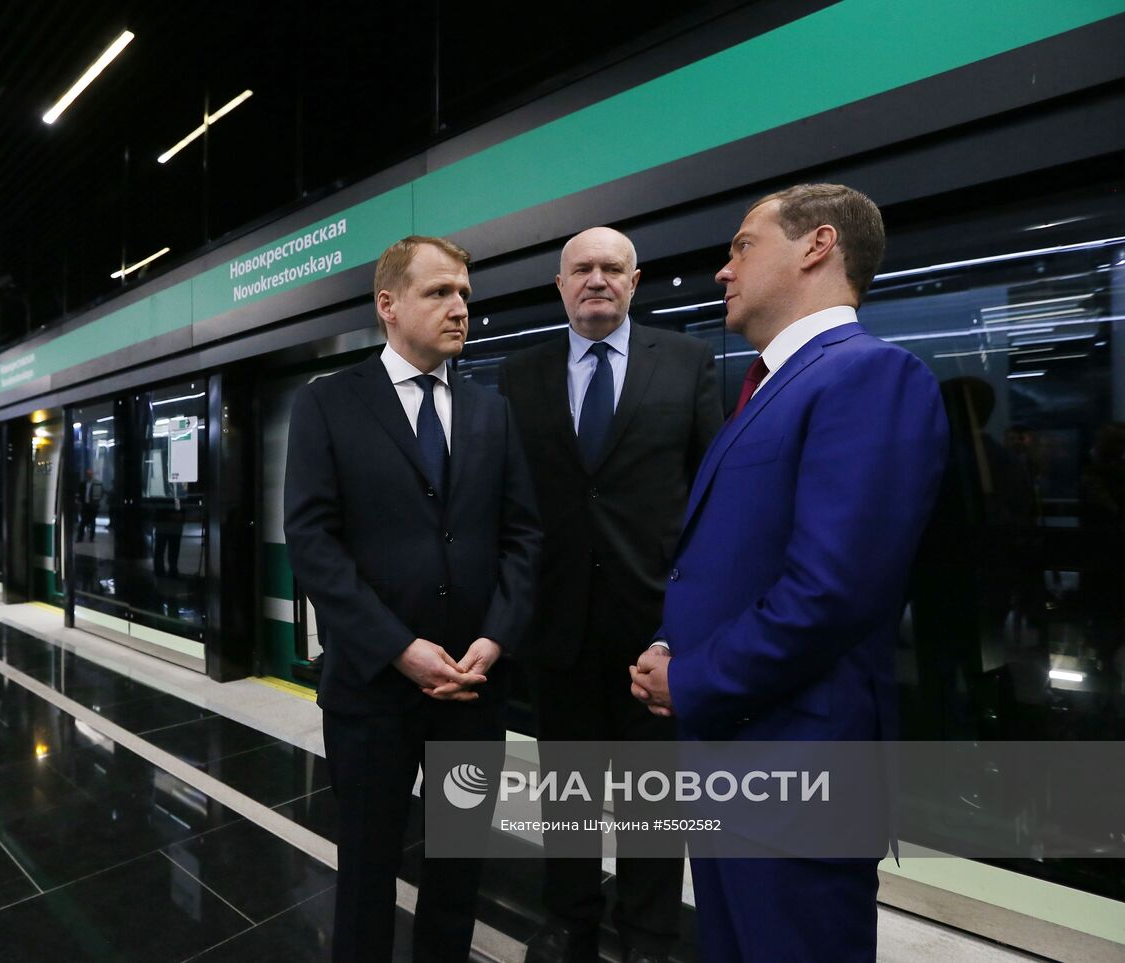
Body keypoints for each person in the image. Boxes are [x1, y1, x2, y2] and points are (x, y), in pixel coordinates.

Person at [630, 184, 948, 961]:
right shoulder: (771, 387)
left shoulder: (871, 376)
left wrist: (692, 679)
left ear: (817, 245)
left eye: (741, 245)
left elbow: (829, 593)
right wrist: (674, 645)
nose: (722, 270)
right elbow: (740, 560)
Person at [284, 235, 542, 961]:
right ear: (387, 305)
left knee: (459, 867)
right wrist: (398, 647)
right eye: (440, 293)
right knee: (367, 869)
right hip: (371, 689)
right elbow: (312, 543)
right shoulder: (329, 403)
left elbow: (524, 534)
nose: (461, 307)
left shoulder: (492, 412)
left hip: (474, 686)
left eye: (464, 292)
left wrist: (497, 636)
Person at [498, 226, 721, 962]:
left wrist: (690, 625)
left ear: (635, 280)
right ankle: (570, 922)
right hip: (555, 626)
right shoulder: (519, 375)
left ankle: (650, 935)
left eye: (611, 268)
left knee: (652, 798)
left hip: (654, 628)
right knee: (566, 790)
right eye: (581, 269)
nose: (596, 279)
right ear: (560, 285)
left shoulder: (687, 362)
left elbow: (712, 499)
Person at [74, 468, 102, 542]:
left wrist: (96, 502)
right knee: (83, 522)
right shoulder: (83, 484)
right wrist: (79, 500)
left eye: (90, 474)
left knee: (92, 522)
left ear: (92, 475)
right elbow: (79, 493)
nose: (89, 475)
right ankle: (80, 538)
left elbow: (100, 494)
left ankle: (91, 538)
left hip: (93, 506)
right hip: (85, 505)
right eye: (88, 474)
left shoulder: (97, 483)